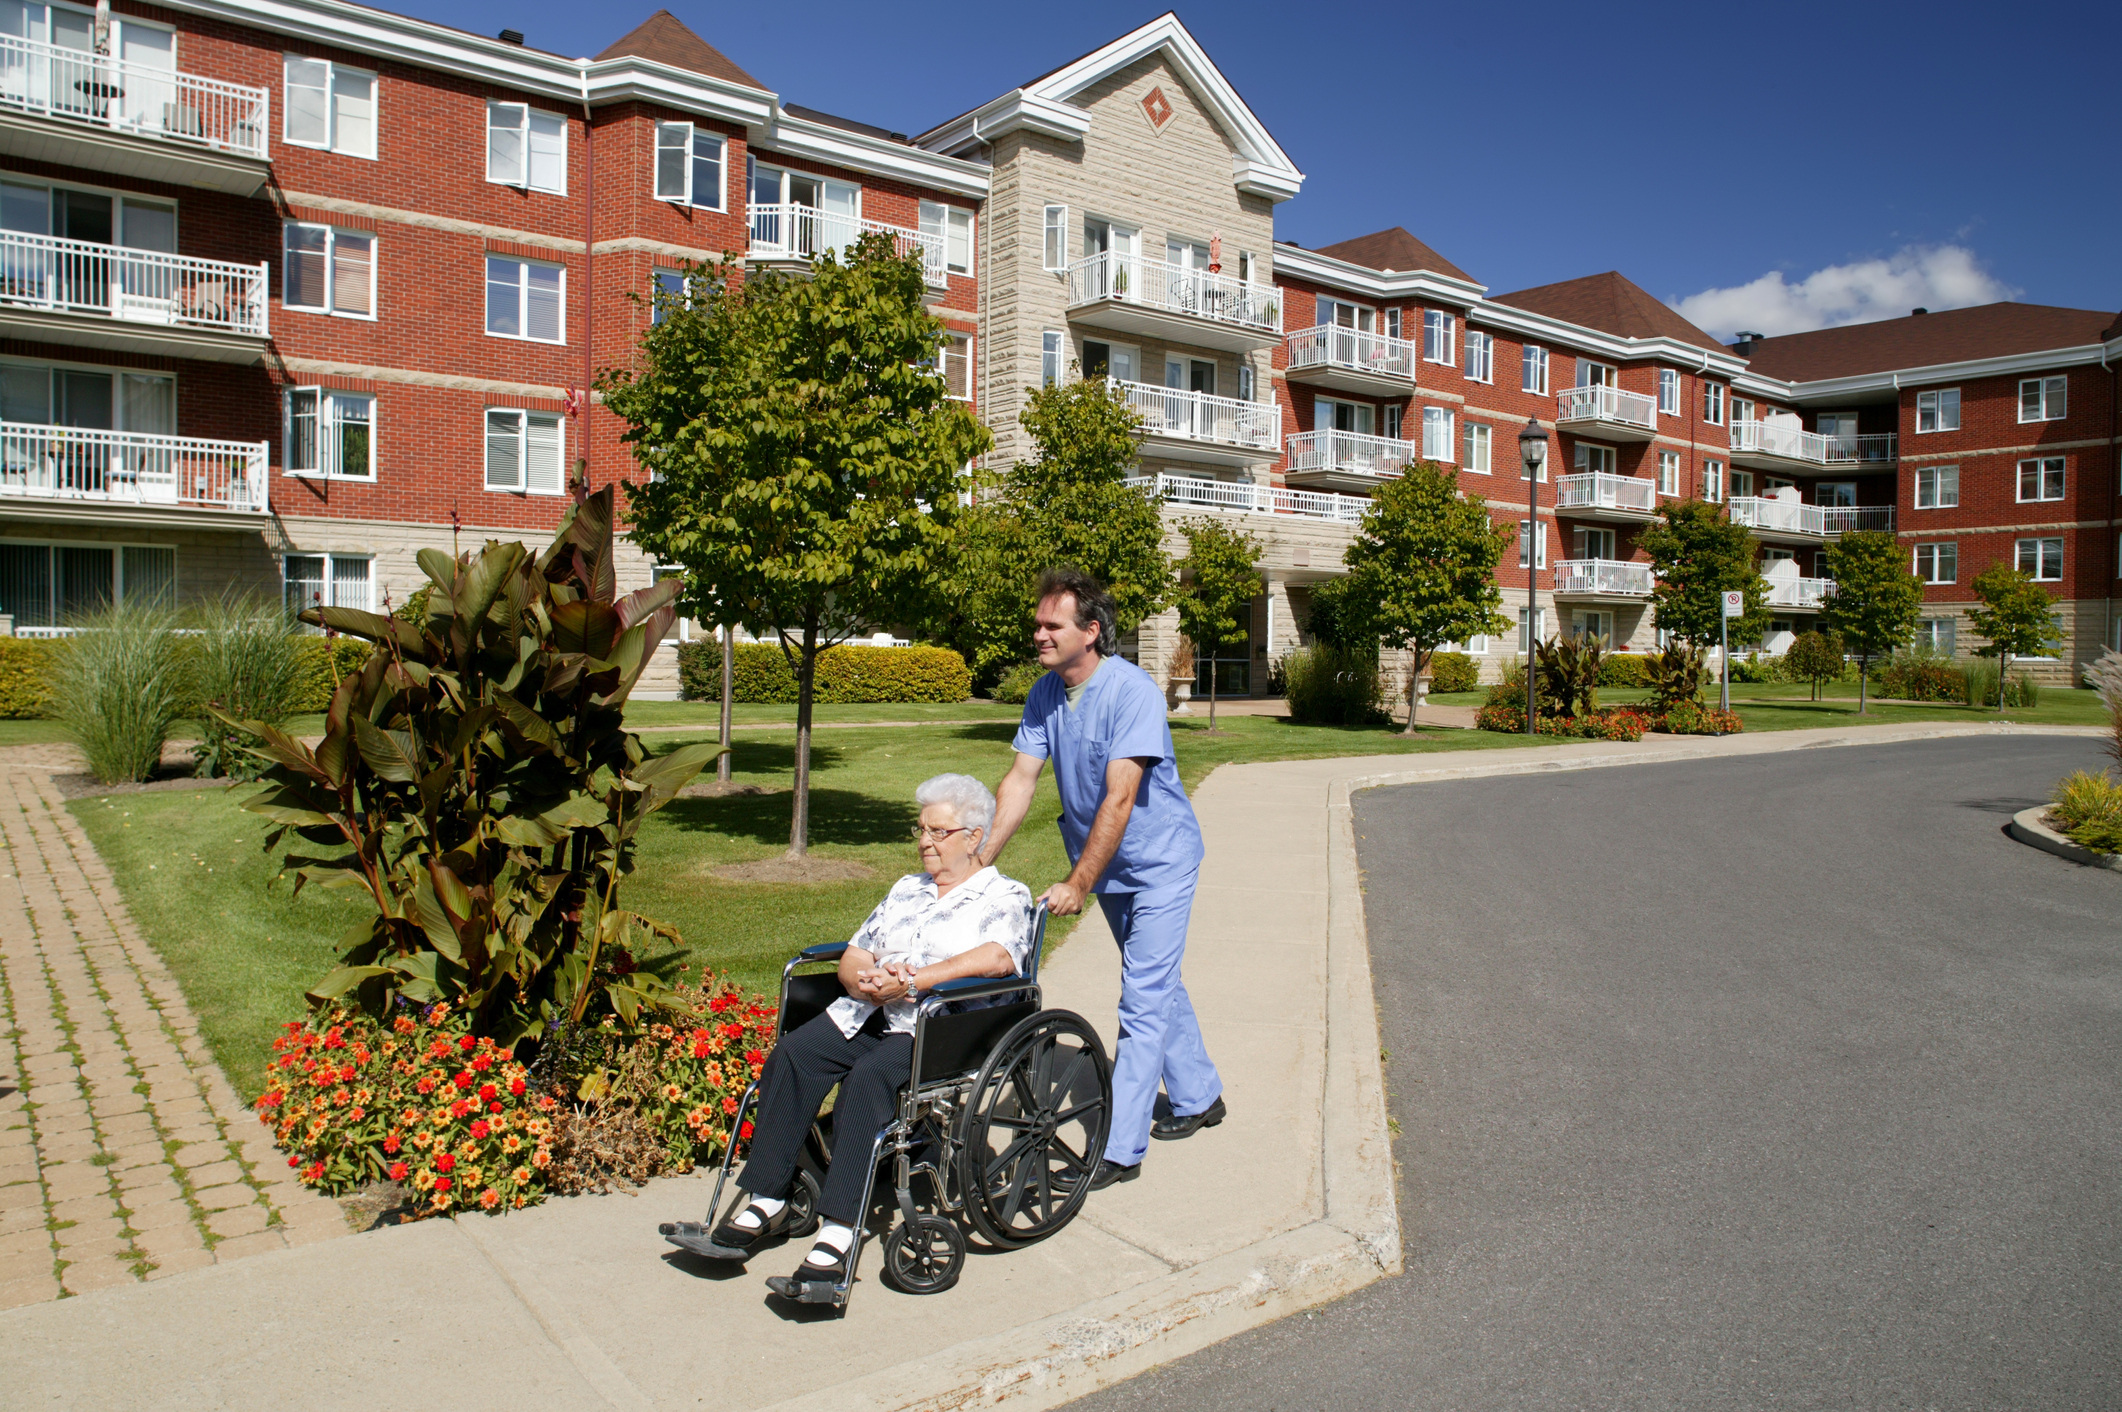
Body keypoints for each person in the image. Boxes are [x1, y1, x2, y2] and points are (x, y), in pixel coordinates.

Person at [689, 773, 1033, 1300]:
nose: (924, 841)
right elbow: (858, 949)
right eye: (920, 829)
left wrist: (915, 980)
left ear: (974, 835)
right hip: (868, 1013)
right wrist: (861, 980)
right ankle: (768, 1197)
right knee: (795, 1054)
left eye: (938, 831)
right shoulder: (906, 889)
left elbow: (999, 957)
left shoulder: (1004, 894)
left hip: (934, 1028)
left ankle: (838, 1232)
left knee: (868, 1083)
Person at [981, 567, 1226, 1190]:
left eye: (1051, 625)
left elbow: (1120, 797)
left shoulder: (1132, 691)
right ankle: (1200, 1096)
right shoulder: (1045, 693)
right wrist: (978, 861)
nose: (1038, 634)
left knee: (1141, 996)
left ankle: (1120, 1149)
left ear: (1090, 631)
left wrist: (1079, 881)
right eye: (1037, 623)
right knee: (1157, 981)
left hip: (1159, 861)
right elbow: (1019, 782)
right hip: (1109, 864)